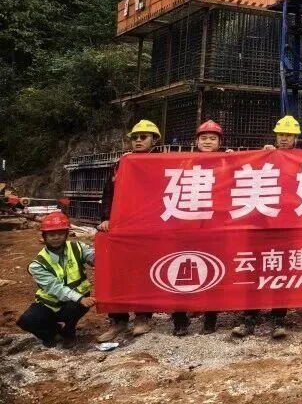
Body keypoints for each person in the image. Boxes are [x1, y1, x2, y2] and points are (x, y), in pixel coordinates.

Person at [233, 115, 301, 339]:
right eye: (281, 134)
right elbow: (241, 169)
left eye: (289, 135)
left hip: (286, 226)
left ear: (296, 138)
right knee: (255, 269)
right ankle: (249, 318)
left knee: (281, 271)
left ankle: (278, 319)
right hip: (261, 224)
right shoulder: (265, 156)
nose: (284, 138)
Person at [96, 119, 159, 342]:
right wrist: (106, 218)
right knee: (118, 272)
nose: (138, 140)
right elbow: (108, 194)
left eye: (143, 137)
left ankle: (143, 317)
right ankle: (118, 319)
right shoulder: (121, 164)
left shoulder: (161, 163)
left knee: (144, 272)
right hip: (122, 226)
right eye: (135, 137)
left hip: (147, 227)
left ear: (154, 140)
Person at [173, 120, 226, 336]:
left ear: (219, 142)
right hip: (187, 225)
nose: (208, 142)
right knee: (180, 269)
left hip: (214, 226)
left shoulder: (227, 162)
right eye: (204, 138)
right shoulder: (185, 162)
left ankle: (210, 317)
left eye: (213, 138)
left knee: (213, 270)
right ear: (196, 141)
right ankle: (179, 318)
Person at [16, 212, 95, 348]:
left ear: (66, 234)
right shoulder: (37, 264)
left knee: (73, 308)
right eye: (51, 234)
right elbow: (56, 288)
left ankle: (69, 330)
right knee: (26, 321)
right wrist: (80, 298)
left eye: (60, 233)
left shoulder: (77, 247)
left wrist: (101, 251)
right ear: (44, 237)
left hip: (75, 301)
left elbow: (95, 257)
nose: (56, 237)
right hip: (51, 302)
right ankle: (54, 333)